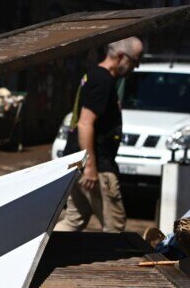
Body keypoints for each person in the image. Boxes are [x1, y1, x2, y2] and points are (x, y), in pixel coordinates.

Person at [54, 36, 143, 233]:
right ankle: (112, 264)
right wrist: (91, 167)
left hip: (77, 161)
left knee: (74, 220)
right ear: (121, 56)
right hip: (95, 167)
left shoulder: (94, 75)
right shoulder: (102, 80)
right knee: (115, 227)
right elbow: (85, 123)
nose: (136, 67)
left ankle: (43, 255)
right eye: (135, 61)